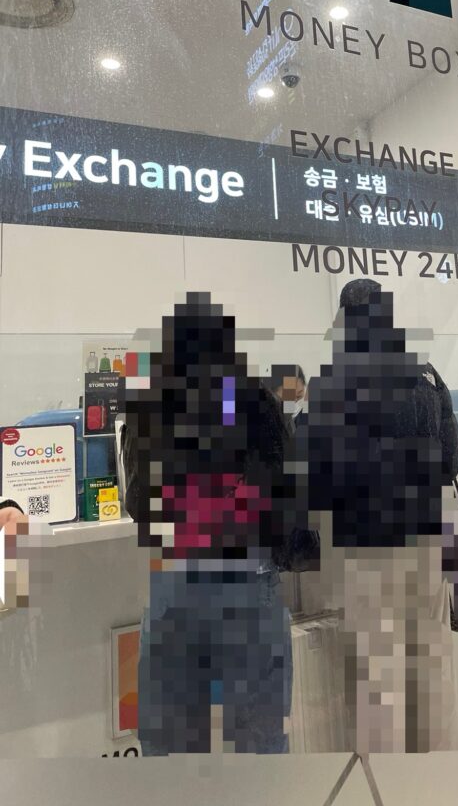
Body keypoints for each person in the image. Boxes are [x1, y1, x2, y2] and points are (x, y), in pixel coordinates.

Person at [123, 292, 297, 754]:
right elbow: (287, 490)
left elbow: (138, 503)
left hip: (178, 576)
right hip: (249, 577)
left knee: (170, 740)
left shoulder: (150, 402)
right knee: (260, 739)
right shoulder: (257, 398)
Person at [306, 278, 458, 753]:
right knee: (429, 660)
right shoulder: (427, 374)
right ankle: (436, 772)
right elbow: (450, 462)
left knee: (377, 667)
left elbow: (321, 478)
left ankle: (389, 782)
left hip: (369, 546)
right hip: (426, 541)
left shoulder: (335, 382)